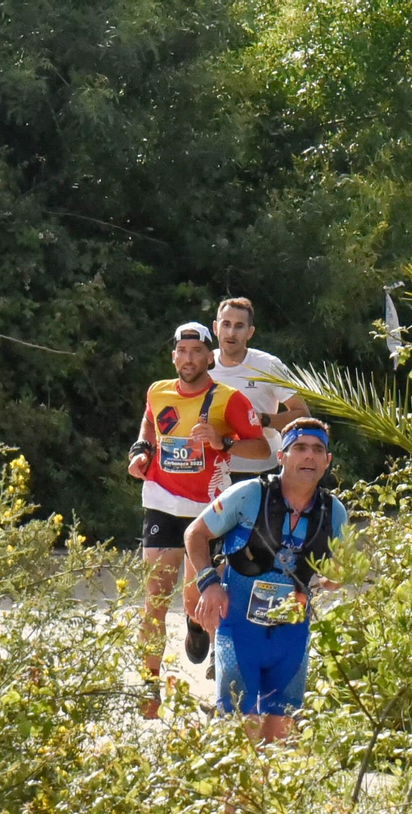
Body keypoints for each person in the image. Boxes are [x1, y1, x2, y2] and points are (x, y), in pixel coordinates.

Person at [128, 322, 267, 718]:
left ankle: (217, 680)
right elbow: (149, 423)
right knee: (155, 598)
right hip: (161, 500)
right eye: (182, 351)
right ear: (174, 356)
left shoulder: (229, 399)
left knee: (200, 599)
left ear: (210, 357)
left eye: (196, 352)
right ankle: (149, 690)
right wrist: (141, 451)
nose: (189, 359)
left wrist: (223, 442)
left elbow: (260, 449)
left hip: (206, 511)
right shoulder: (158, 390)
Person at [183, 417, 346, 742]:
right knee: (241, 741)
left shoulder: (334, 511)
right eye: (299, 448)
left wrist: (332, 578)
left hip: (292, 639)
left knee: (279, 745)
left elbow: (337, 573)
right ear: (281, 456)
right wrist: (209, 584)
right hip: (239, 635)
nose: (309, 456)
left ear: (327, 461)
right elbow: (195, 534)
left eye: (317, 450)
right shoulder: (248, 495)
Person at [209, 297, 311, 485]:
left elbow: (302, 414)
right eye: (226, 324)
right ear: (216, 328)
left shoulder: (268, 365)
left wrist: (263, 419)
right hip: (213, 470)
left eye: (239, 326)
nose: (231, 333)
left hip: (262, 470)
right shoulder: (203, 365)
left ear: (250, 332)